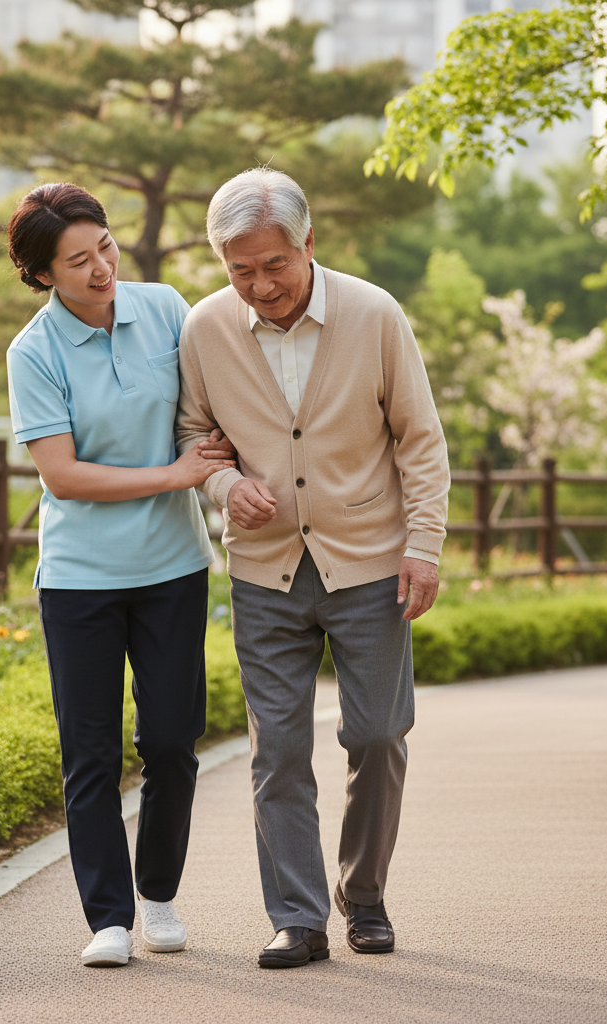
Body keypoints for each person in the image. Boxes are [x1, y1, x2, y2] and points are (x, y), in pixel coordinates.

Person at [176, 168, 449, 968]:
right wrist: (227, 485)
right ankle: (297, 916)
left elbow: (420, 439)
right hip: (264, 570)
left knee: (377, 735)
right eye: (240, 271)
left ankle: (362, 894)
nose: (259, 285)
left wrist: (423, 545)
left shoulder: (374, 314)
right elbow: (193, 435)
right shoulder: (204, 329)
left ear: (309, 243)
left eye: (275, 265)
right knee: (279, 749)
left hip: (369, 562)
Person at [5, 182, 235, 968]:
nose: (102, 267)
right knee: (91, 752)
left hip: (172, 567)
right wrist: (173, 477)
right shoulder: (32, 353)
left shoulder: (167, 308)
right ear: (43, 276)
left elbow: (210, 410)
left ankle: (160, 894)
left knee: (171, 741)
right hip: (79, 579)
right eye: (79, 260)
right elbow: (62, 476)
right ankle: (108, 917)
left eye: (105, 246)